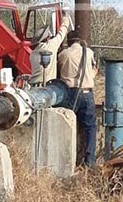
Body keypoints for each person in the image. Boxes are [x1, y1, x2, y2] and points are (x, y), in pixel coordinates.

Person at [57, 30, 98, 166]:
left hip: (70, 93)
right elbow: (94, 70)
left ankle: (66, 160)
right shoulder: (89, 53)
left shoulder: (63, 54)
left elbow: (59, 72)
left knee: (67, 125)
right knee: (90, 127)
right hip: (87, 92)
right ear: (80, 40)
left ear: (68, 41)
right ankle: (89, 161)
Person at [29, 13, 70, 85]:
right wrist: (66, 19)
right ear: (48, 38)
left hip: (33, 85)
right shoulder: (50, 46)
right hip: (46, 85)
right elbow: (62, 33)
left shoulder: (33, 53)